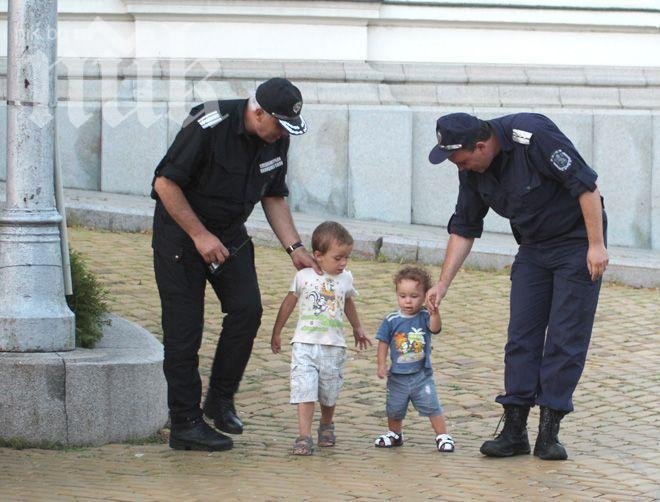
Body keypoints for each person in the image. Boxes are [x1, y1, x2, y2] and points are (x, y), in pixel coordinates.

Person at [426, 112, 608, 460]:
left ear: (480, 146)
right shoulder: (473, 169)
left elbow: (587, 187)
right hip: (534, 247)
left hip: (576, 243)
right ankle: (514, 431)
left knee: (565, 337)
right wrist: (442, 285)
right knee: (521, 335)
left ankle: (549, 431)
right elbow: (464, 226)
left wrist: (596, 245)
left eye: (461, 160)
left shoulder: (533, 136)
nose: (459, 168)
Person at [151, 77, 319, 452]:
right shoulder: (208, 122)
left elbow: (273, 194)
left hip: (228, 232)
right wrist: (199, 235)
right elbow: (165, 185)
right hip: (182, 233)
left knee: (247, 309)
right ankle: (186, 424)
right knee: (184, 331)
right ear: (257, 112)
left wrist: (294, 248)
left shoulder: (277, 135)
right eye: (277, 125)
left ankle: (219, 401)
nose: (281, 134)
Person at [270, 221, 371, 455]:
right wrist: (277, 331)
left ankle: (326, 424)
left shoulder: (345, 278)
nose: (343, 263)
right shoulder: (303, 276)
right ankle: (303, 436)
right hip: (304, 344)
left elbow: (347, 302)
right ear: (318, 255)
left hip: (333, 345)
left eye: (347, 257)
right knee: (305, 389)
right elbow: (289, 302)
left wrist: (358, 328)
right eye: (338, 258)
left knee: (328, 391)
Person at [373, 266, 455, 453]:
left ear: (425, 295)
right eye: (403, 296)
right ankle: (395, 433)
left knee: (431, 404)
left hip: (421, 375)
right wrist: (381, 364)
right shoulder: (391, 320)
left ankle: (442, 435)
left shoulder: (425, 316)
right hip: (398, 376)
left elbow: (435, 328)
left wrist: (435, 312)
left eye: (414, 296)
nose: (408, 301)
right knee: (394, 407)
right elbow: (383, 342)